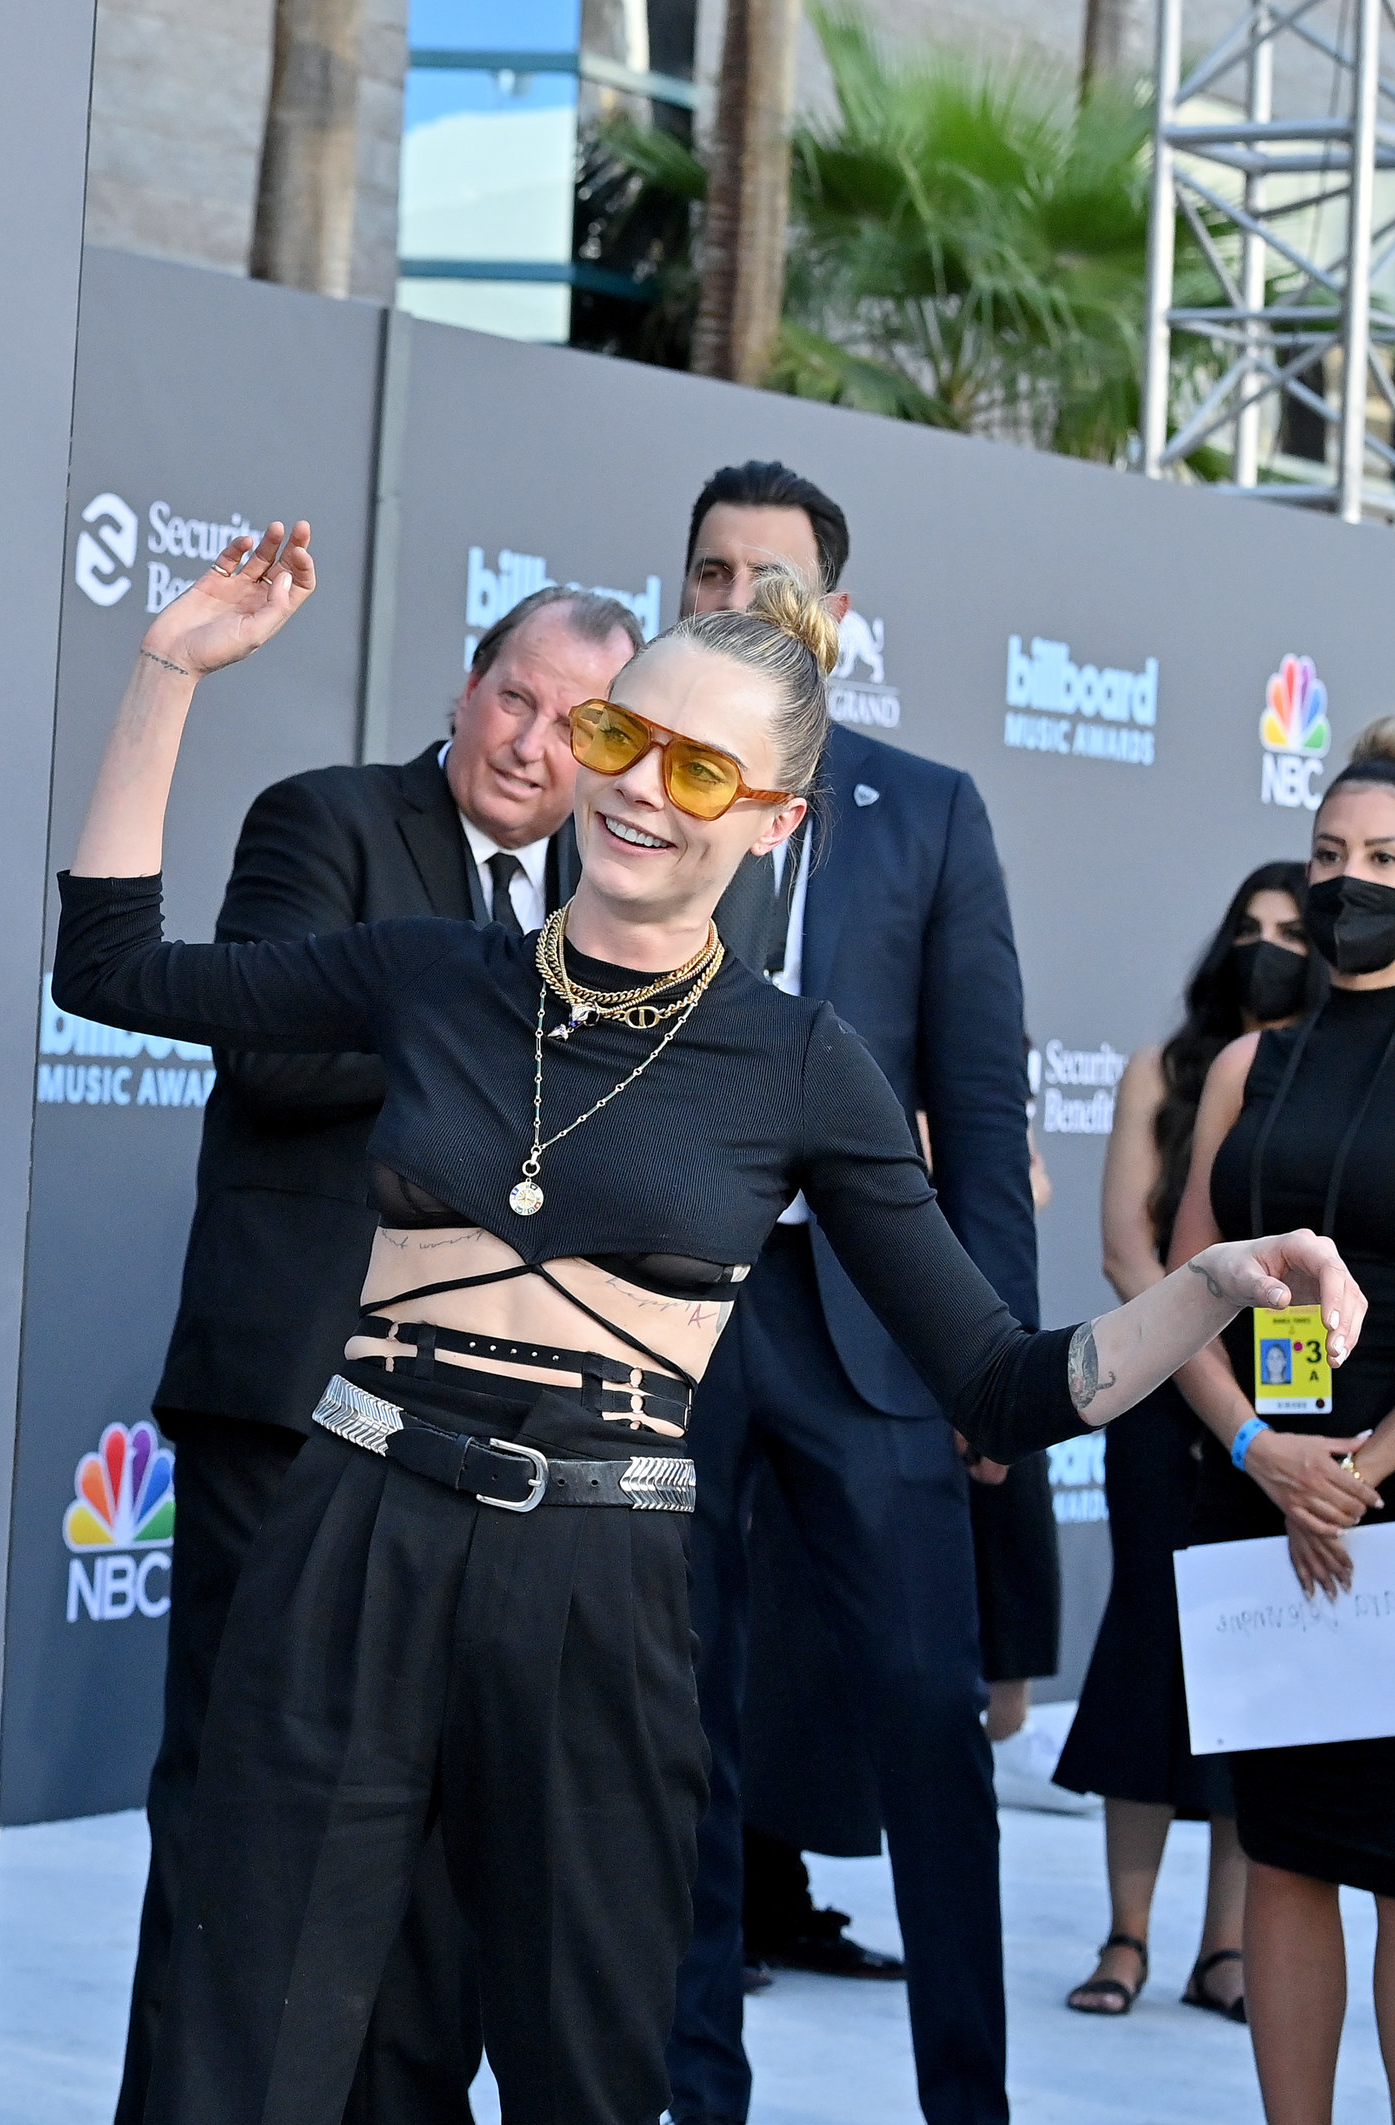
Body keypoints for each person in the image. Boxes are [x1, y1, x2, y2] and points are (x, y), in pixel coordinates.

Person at [50, 517, 1358, 2125]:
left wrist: (1213, 1280)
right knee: (247, 2054)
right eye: (620, 735)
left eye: (701, 769)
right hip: (352, 1541)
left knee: (584, 2065)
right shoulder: (429, 976)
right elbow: (112, 969)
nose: (637, 788)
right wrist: (166, 670)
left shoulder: (804, 1066)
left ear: (777, 820)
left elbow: (1006, 1384)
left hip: (595, 1586)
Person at [113, 583, 640, 2125]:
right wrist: (486, 1046)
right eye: (514, 701)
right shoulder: (326, 822)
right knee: (233, 1830)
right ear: (467, 686)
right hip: (284, 1408)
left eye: (578, 726)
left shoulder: (601, 910)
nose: (535, 747)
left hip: (473, 1438)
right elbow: (272, 1053)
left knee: (426, 1862)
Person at [659, 462, 1040, 2125]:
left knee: (923, 1728)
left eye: (771, 577)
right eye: (711, 571)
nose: (734, 600)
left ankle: (969, 2097)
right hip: (668, 1323)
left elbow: (987, 1091)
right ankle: (691, 2090)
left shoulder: (927, 810)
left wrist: (998, 1366)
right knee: (675, 1730)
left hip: (877, 1339)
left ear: (837, 614)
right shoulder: (642, 792)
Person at [1171, 764, 1395, 2124]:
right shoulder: (1254, 1060)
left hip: (1382, 1505)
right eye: (1329, 851)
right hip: (1266, 1494)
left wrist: (1361, 1472)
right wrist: (1263, 1447)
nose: (1350, 879)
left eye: (1385, 851)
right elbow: (1183, 1287)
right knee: (1290, 1847)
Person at [1054, 864, 1316, 2021]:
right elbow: (1126, 1252)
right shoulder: (1161, 1071)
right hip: (1166, 1392)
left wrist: (1282, 1411)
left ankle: (1229, 1949)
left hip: (1292, 1408)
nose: (1267, 948)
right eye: (1250, 928)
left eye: (1291, 931)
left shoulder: (1332, 1076)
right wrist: (1202, 1367)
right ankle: (1126, 1936)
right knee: (1147, 1659)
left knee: (1252, 1675)